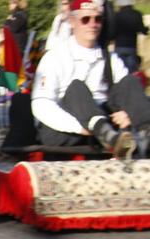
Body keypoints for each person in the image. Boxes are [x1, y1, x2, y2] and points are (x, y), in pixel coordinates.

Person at [32, 0, 150, 158]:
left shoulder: (110, 58)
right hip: (67, 128)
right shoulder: (55, 57)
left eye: (98, 19)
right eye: (85, 19)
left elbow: (127, 94)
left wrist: (127, 114)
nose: (92, 24)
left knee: (130, 82)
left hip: (103, 121)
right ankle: (107, 135)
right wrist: (80, 127)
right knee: (76, 88)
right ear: (73, 22)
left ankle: (146, 137)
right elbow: (42, 105)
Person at [113, 0, 147, 74]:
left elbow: (112, 31)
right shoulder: (137, 14)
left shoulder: (116, 15)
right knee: (132, 72)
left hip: (119, 46)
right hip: (132, 47)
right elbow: (142, 30)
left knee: (119, 72)